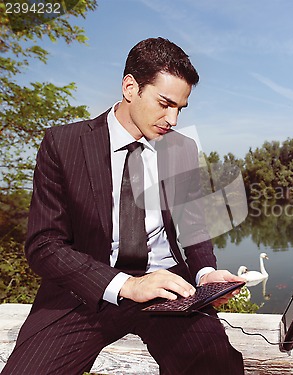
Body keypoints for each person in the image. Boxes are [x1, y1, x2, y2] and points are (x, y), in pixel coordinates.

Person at [1, 37, 245, 375]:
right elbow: (44, 245)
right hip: (86, 290)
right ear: (131, 88)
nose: (172, 119)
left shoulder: (182, 149)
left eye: (179, 108)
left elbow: (193, 227)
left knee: (217, 366)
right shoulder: (62, 144)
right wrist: (126, 285)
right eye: (164, 103)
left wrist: (206, 274)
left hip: (168, 287)